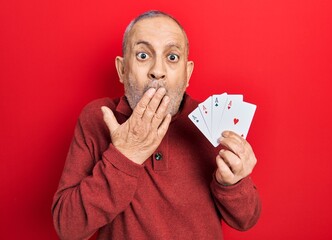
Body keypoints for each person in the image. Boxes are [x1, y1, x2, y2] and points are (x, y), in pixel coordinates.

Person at [52, 10, 261, 240]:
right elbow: (68, 228)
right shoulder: (98, 118)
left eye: (172, 57)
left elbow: (246, 220)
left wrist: (233, 183)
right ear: (122, 69)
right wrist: (125, 155)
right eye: (143, 55)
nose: (157, 71)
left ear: (187, 72)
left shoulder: (212, 121)